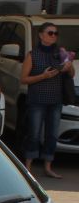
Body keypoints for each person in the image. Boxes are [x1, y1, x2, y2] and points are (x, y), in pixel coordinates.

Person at [20, 22, 75, 179]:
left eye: (55, 33)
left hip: (55, 101)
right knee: (34, 134)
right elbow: (23, 79)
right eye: (50, 33)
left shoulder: (60, 52)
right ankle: (28, 168)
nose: (53, 36)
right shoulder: (33, 54)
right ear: (41, 35)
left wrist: (68, 66)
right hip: (37, 100)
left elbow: (71, 74)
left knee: (51, 135)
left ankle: (48, 167)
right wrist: (42, 76)